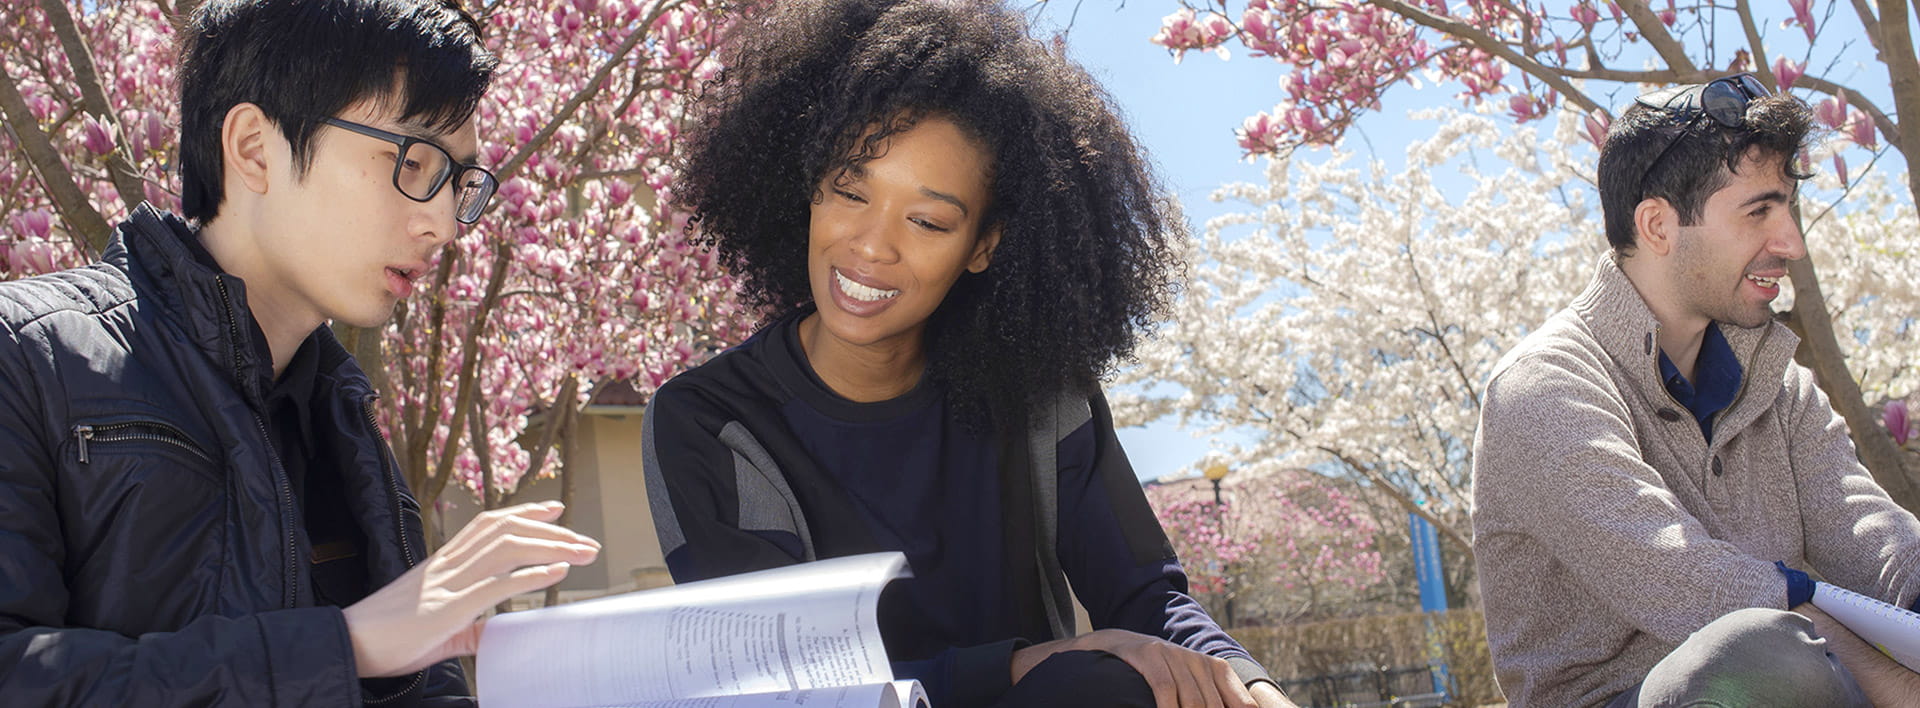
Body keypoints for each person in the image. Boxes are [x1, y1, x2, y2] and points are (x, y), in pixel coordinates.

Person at [640, 1, 1293, 707]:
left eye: (927, 220)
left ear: (984, 245)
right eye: (850, 191)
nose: (871, 246)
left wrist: (1253, 687)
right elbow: (780, 685)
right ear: (806, 189)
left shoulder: (1039, 394)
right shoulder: (709, 421)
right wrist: (1030, 664)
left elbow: (1145, 599)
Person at [0, 0, 601, 705]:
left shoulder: (346, 428)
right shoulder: (28, 357)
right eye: (414, 161)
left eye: (460, 185)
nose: (443, 224)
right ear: (255, 148)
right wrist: (344, 646)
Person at [1471, 73, 1920, 707]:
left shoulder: (1777, 381)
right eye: (1759, 211)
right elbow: (1683, 583)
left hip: (1798, 666)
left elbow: (1864, 529)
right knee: (1767, 661)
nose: (1791, 242)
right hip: (1640, 695)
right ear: (1657, 226)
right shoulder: (1543, 388)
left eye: (1788, 207)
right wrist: (1889, 681)